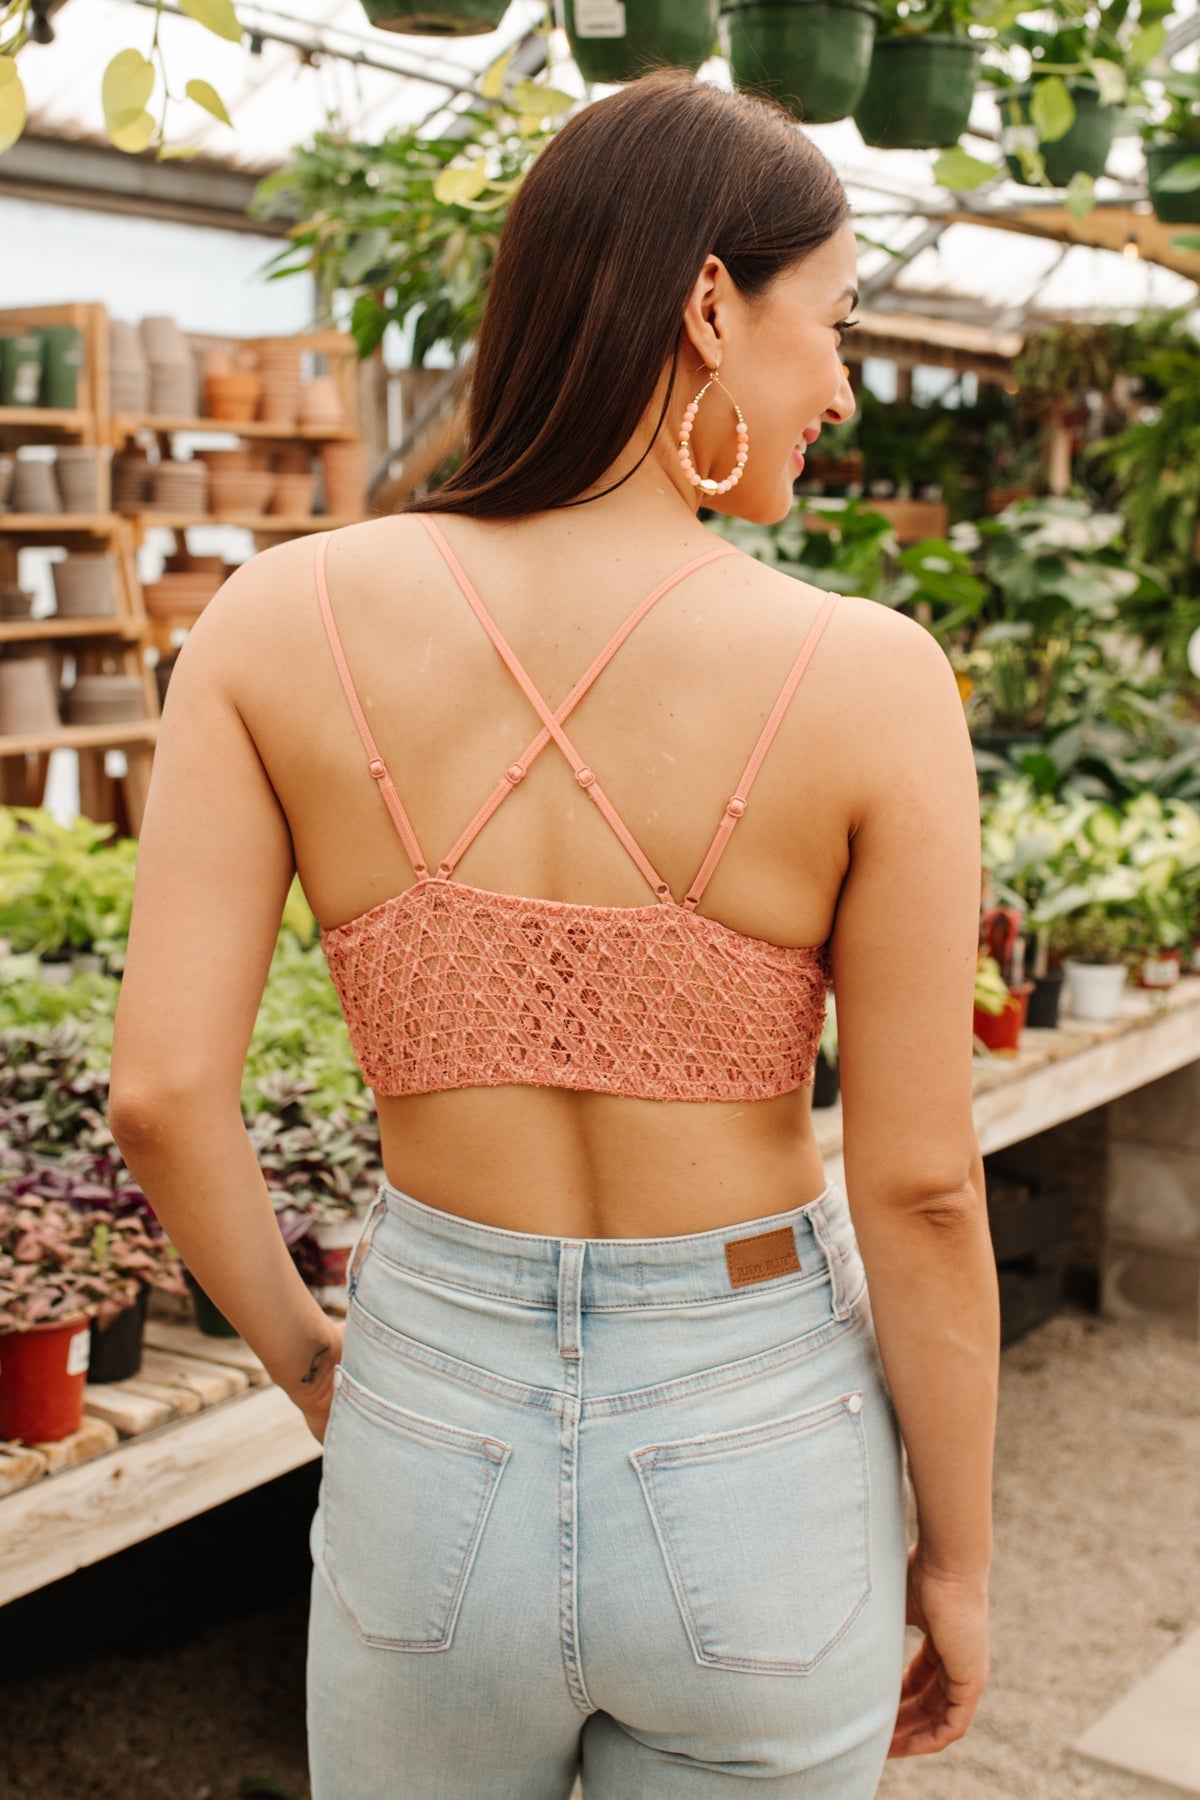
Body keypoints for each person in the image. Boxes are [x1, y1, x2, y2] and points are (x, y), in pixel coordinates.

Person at [109, 68, 998, 1800]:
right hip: (759, 1443)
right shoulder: (872, 678)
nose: (839, 389)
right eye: (832, 328)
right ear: (710, 305)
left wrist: (309, 1364)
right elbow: (923, 1191)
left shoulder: (276, 619)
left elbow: (158, 1095)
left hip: (428, 1415)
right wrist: (956, 1560)